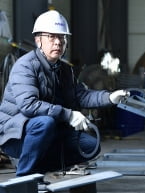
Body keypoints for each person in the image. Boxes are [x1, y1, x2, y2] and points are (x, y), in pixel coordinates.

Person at [0, 10, 127, 177]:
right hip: (15, 135)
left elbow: (81, 96)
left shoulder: (65, 69)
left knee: (90, 146)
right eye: (51, 37)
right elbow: (28, 105)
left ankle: (41, 169)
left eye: (62, 37)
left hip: (48, 131)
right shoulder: (25, 66)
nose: (58, 42)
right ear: (38, 41)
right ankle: (24, 177)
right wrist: (69, 115)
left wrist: (109, 97)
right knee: (45, 123)